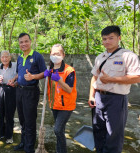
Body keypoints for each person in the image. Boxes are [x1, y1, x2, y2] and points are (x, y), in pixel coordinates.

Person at [88, 25, 140, 153]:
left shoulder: (128, 56)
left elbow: (137, 78)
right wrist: (91, 96)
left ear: (119, 38)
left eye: (111, 38)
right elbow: (94, 78)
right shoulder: (100, 57)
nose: (107, 41)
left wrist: (111, 79)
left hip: (116, 100)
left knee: (113, 134)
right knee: (98, 130)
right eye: (104, 39)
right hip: (99, 98)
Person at [9, 33, 47, 153]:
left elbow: (45, 73)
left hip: (31, 92)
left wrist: (33, 77)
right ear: (19, 44)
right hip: (19, 91)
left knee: (30, 120)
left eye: (26, 41)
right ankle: (23, 142)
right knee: (22, 119)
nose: (23, 44)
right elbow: (19, 73)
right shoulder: (20, 57)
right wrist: (14, 81)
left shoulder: (37, 56)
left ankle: (29, 148)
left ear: (30, 42)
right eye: (21, 42)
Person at [44, 44, 77, 153]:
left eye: (58, 54)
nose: (55, 56)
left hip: (66, 106)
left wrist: (59, 80)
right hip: (54, 105)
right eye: (53, 54)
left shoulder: (69, 71)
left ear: (63, 55)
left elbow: (69, 90)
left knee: (57, 130)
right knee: (60, 131)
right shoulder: (51, 69)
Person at [0, 50, 17, 144]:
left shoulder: (15, 65)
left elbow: (20, 74)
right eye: (3, 57)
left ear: (10, 57)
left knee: (9, 114)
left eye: (6, 57)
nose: (5, 59)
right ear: (0, 58)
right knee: (0, 113)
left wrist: (14, 80)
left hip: (11, 90)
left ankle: (9, 136)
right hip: (1, 89)